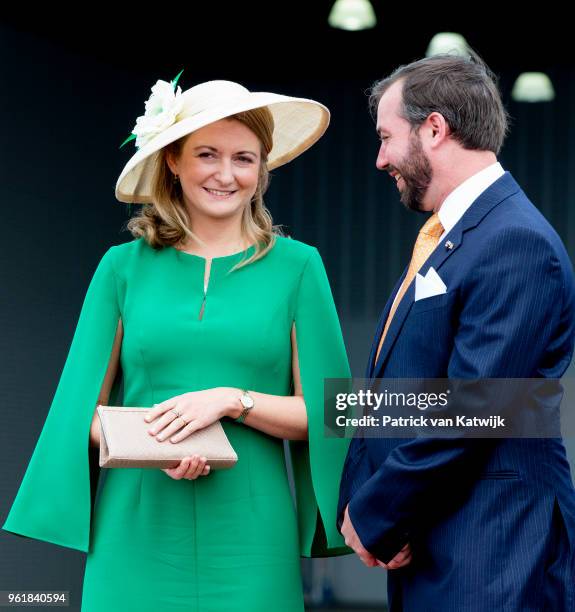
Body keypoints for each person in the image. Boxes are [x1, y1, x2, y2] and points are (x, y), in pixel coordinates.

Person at [3, 74, 352, 611]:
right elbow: (79, 414)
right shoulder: (121, 268)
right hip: (134, 526)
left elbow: (332, 413)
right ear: (172, 160)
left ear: (262, 169)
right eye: (207, 154)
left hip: (252, 534)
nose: (225, 174)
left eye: (244, 158)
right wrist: (156, 444)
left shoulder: (300, 267)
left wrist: (235, 400)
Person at [337, 52, 575, 610]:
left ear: (435, 129)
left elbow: (473, 410)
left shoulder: (515, 241)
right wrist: (368, 502)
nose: (379, 159)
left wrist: (377, 513)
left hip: (493, 553)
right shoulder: (454, 234)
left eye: (386, 137)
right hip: (441, 544)